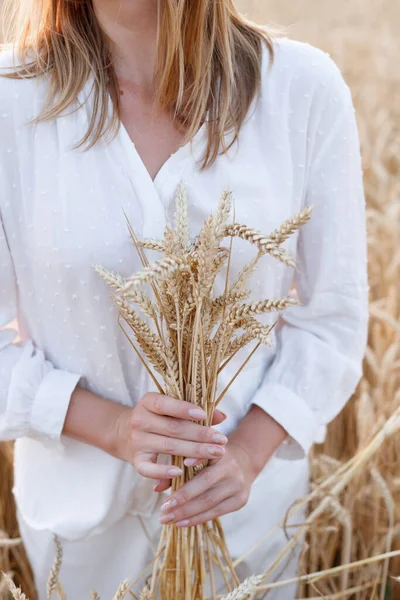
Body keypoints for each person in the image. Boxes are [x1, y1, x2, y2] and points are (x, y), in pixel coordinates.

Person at [0, 0, 369, 598]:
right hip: (84, 537)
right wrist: (114, 427)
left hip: (249, 531)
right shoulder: (10, 102)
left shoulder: (302, 90)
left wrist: (247, 455)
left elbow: (333, 320)